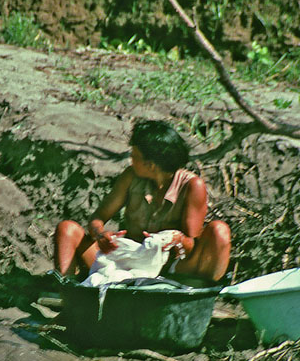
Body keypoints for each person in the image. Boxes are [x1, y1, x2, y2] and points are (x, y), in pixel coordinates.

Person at [54, 119, 231, 283]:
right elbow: (98, 217)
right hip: (126, 262)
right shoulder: (130, 176)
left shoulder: (192, 186)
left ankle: (201, 292)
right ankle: (65, 288)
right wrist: (101, 235)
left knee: (219, 230)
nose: (131, 160)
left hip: (171, 269)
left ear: (150, 164)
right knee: (67, 229)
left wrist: (177, 240)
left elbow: (191, 247)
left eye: (134, 156)